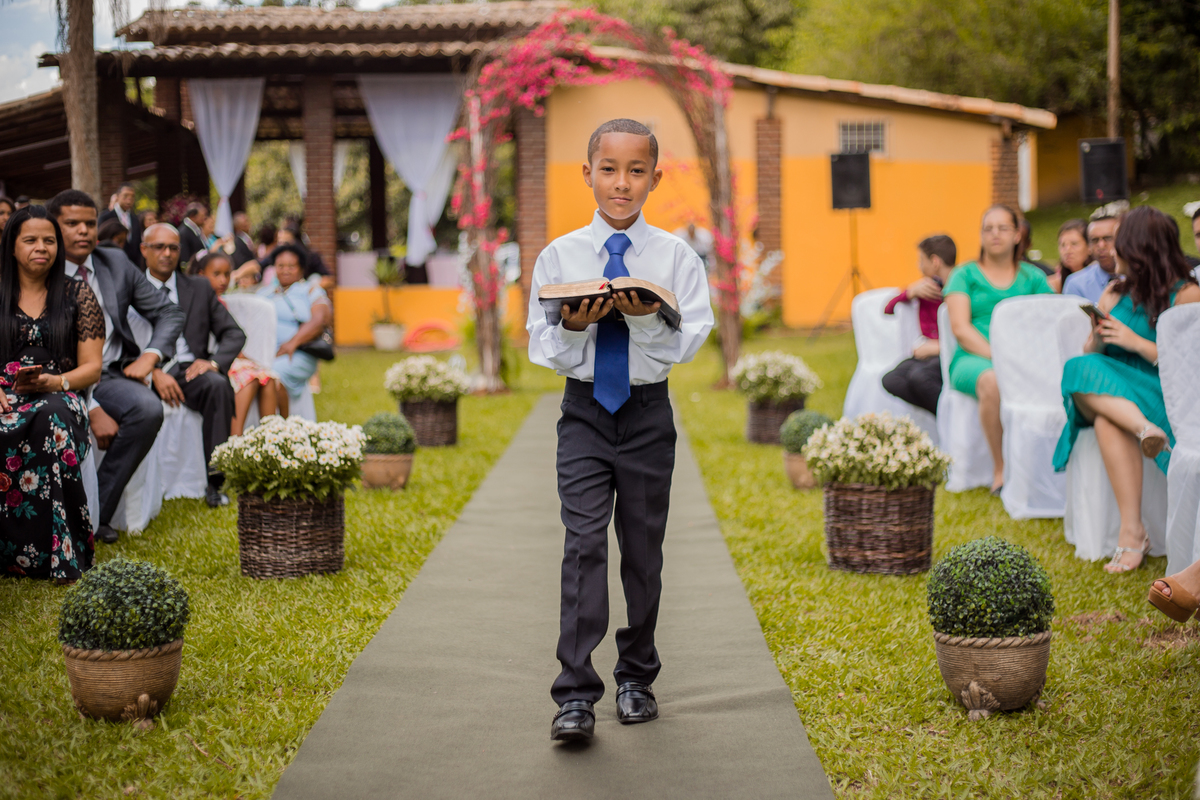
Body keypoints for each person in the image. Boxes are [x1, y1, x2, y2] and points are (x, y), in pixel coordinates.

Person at [527, 118, 714, 742]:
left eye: (637, 171)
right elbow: (542, 346)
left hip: (645, 414)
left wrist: (644, 321)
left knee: (642, 551)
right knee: (583, 545)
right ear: (588, 174)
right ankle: (575, 694)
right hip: (583, 412)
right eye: (609, 169)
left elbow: (684, 346)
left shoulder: (677, 257)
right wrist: (575, 326)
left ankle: (637, 678)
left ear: (655, 178)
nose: (622, 183)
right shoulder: (558, 255)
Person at [1053, 206, 1200, 573]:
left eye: (1117, 245)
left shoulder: (1187, 296)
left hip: (1161, 391)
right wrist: (1099, 336)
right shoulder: (1115, 292)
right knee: (1079, 364)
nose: (1108, 252)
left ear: (1140, 250)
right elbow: (1090, 356)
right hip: (1115, 387)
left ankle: (1132, 534)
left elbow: (1188, 368)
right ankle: (1143, 430)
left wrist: (1134, 341)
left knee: (1106, 420)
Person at [47, 189, 185, 545]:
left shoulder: (115, 263)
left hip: (111, 373)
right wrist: (90, 407)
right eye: (72, 223)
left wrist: (151, 356)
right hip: (59, 378)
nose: (84, 231)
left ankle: (95, 515)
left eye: (90, 224)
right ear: (53, 227)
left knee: (147, 408)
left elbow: (168, 312)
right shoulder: (39, 270)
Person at [0, 206, 104, 581]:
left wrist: (54, 382)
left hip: (59, 391)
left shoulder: (77, 293)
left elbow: (92, 367)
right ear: (12, 246)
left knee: (52, 417)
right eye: (30, 240)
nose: (40, 247)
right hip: (3, 395)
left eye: (48, 240)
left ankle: (58, 552)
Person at [945, 205, 1053, 494]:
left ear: (1017, 235)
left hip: (1025, 359)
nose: (995, 234)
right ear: (980, 235)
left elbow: (1051, 318)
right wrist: (1000, 358)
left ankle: (1045, 468)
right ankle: (1001, 469)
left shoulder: (1033, 277)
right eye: (988, 228)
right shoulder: (963, 274)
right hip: (974, 359)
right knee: (992, 380)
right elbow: (961, 329)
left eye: (1002, 228)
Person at [142, 225, 245, 508]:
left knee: (218, 385)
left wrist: (212, 362)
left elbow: (234, 333)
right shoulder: (130, 288)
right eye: (159, 247)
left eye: (173, 248)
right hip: (142, 372)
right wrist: (152, 372)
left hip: (189, 369)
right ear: (144, 250)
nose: (166, 253)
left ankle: (215, 482)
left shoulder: (198, 287)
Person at [189, 251, 284, 432]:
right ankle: (234, 439)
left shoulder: (220, 303)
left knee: (268, 379)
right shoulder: (194, 301)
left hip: (226, 359)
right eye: (216, 274)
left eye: (227, 275)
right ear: (201, 274)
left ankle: (270, 439)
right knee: (249, 379)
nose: (223, 281)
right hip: (208, 361)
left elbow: (230, 337)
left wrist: (245, 358)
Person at [881, 234, 956, 415]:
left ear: (935, 262)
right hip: (926, 353)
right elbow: (888, 308)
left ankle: (951, 418)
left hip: (947, 351)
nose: (918, 265)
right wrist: (910, 292)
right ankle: (940, 414)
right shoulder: (925, 288)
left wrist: (937, 347)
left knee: (920, 378)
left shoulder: (960, 289)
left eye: (921, 260)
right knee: (891, 379)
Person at [256, 243, 330, 410]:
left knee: (271, 376)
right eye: (280, 266)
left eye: (291, 266)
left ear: (301, 269)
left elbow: (319, 320)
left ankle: (283, 425)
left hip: (298, 353)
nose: (285, 270)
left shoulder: (310, 291)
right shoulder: (264, 293)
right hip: (267, 355)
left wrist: (292, 343)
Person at [1063, 214, 1119, 303]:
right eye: (1094, 240)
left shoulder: (1139, 277)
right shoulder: (1077, 284)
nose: (1101, 246)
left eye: (1108, 238)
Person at [98, 182, 143, 267]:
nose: (129, 199)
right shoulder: (106, 217)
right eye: (125, 196)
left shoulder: (135, 219)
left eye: (132, 196)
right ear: (118, 196)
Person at [1048, 219, 1090, 293]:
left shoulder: (1100, 279)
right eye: (1063, 245)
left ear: (1090, 247)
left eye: (1074, 244)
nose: (1067, 250)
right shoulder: (1054, 284)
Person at [178, 202, 209, 267]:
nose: (204, 219)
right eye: (202, 216)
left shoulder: (195, 229)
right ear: (193, 216)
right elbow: (184, 260)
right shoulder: (184, 233)